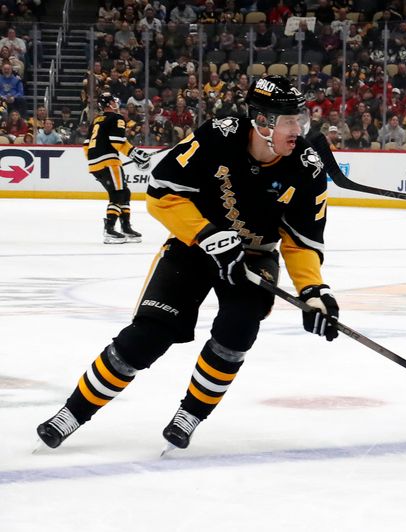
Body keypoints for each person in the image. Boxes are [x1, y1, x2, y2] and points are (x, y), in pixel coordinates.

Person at [36, 75, 340, 452]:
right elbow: (162, 194)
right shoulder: (217, 136)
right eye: (289, 121)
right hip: (192, 244)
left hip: (254, 255)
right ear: (261, 123)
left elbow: (300, 242)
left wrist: (313, 291)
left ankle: (190, 415)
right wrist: (207, 234)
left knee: (238, 330)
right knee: (148, 336)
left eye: (300, 119)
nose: (299, 129)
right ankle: (72, 413)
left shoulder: (307, 168)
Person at [84, 92, 150, 244]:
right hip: (109, 162)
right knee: (118, 193)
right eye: (113, 101)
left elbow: (86, 145)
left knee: (124, 192)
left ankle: (125, 227)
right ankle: (110, 229)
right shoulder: (117, 118)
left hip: (95, 163)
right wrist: (135, 154)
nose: (116, 103)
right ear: (109, 104)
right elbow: (117, 141)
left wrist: (95, 159)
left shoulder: (96, 120)